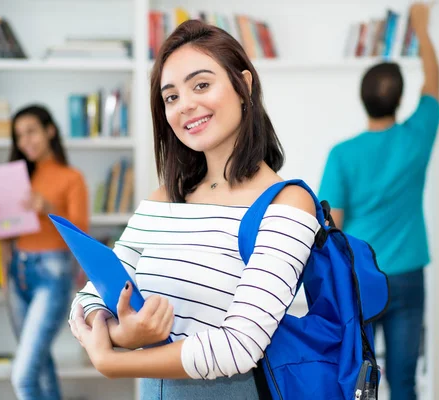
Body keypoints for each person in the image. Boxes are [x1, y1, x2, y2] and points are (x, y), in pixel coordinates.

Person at [68, 20, 320, 399]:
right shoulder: (163, 199)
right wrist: (123, 333)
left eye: (201, 85)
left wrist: (112, 360)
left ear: (244, 86)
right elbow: (89, 298)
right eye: (171, 97)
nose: (185, 105)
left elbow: (239, 346)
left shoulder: (287, 203)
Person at [318, 4, 439, 400]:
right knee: (403, 381)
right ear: (399, 99)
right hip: (408, 276)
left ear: (362, 98)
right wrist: (422, 30)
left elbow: (331, 227)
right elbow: (435, 83)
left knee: (358, 380)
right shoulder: (416, 137)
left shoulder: (343, 154)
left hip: (362, 279)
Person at [6, 105, 89, 400]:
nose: (25, 141)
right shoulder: (18, 178)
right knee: (40, 366)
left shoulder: (71, 177)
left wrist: (49, 208)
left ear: (49, 131)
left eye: (31, 131)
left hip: (53, 273)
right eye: (19, 135)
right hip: (17, 270)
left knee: (23, 376)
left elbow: (81, 232)